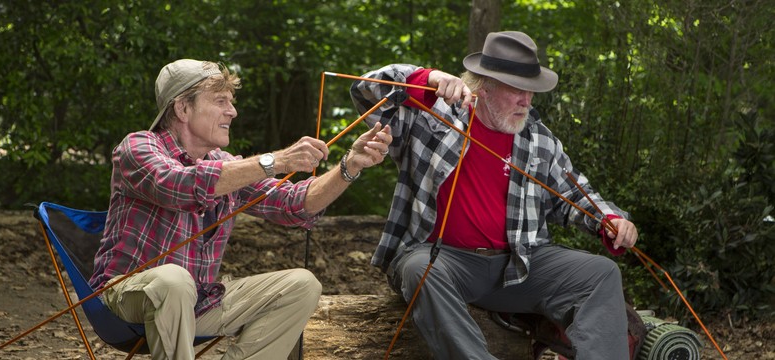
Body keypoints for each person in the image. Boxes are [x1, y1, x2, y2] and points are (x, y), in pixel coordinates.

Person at [349, 31, 639, 359]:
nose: (526, 101)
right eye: (517, 90)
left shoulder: (540, 140)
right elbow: (364, 90)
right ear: (483, 87)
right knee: (420, 269)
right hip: (444, 260)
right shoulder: (430, 116)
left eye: (530, 91)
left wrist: (609, 220)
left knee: (600, 273)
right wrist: (427, 77)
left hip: (519, 265)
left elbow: (572, 192)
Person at [89, 59, 392, 359]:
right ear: (182, 108)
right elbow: (178, 185)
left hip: (199, 303)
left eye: (231, 102)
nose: (232, 111)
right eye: (220, 101)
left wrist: (349, 166)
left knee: (301, 285)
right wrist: (277, 160)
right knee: (174, 280)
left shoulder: (225, 163)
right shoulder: (138, 147)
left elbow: (295, 204)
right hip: (127, 299)